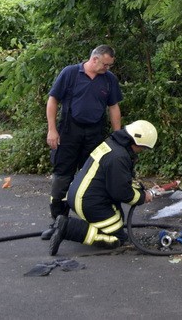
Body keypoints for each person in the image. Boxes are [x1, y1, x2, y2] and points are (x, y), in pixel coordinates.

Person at [48, 120, 158, 255]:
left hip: (78, 195)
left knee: (117, 221)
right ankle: (67, 228)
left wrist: (142, 189)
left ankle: (71, 225)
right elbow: (121, 192)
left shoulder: (112, 145)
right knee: (117, 238)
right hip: (90, 203)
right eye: (143, 148)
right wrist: (143, 197)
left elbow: (119, 180)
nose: (142, 151)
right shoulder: (119, 157)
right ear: (137, 142)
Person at [44, 45, 123, 232]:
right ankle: (58, 224)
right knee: (62, 177)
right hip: (69, 132)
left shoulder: (109, 80)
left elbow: (114, 108)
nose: (107, 68)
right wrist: (52, 130)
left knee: (93, 179)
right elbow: (53, 100)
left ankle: (93, 223)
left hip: (95, 134)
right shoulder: (70, 73)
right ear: (94, 59)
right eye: (105, 64)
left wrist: (117, 136)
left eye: (109, 65)